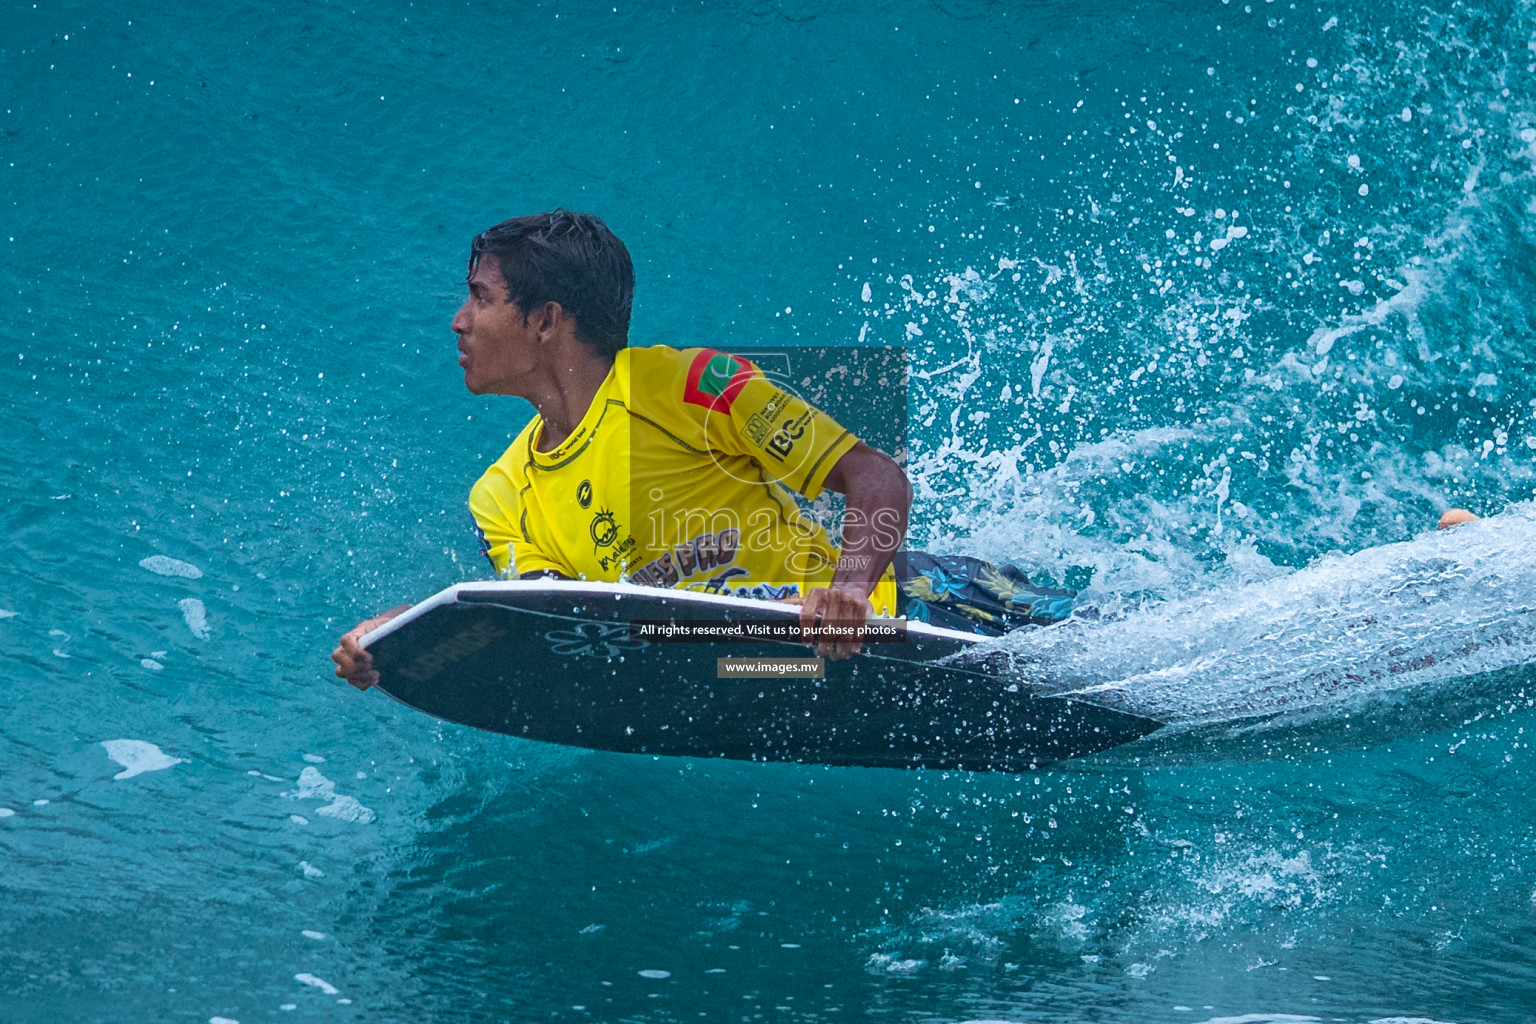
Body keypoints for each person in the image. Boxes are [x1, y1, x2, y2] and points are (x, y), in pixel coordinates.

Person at [332, 210, 1075, 690]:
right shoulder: (500, 495)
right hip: (755, 666)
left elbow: (874, 477)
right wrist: (401, 634)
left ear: (546, 320)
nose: (460, 322)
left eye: (480, 299)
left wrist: (848, 590)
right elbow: (549, 623)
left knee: (1147, 668)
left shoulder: (689, 386)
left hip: (919, 613)